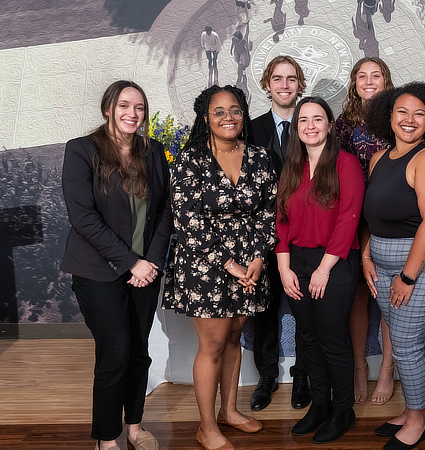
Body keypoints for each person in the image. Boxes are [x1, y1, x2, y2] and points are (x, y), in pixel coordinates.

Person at [163, 85, 277, 450]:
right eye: (219, 111)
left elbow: (269, 212)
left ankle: (230, 411)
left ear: (244, 114)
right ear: (205, 118)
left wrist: (257, 258)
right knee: (212, 344)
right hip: (205, 266)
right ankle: (207, 427)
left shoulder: (259, 157)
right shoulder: (190, 159)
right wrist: (229, 263)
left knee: (233, 337)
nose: (228, 117)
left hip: (249, 264)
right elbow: (186, 220)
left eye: (235, 110)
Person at [61, 80, 172, 450]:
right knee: (115, 353)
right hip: (98, 272)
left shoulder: (153, 151)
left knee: (139, 351)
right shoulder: (81, 151)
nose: (132, 114)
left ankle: (135, 429)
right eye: (124, 105)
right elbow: (84, 218)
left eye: (139, 107)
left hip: (146, 271)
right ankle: (107, 438)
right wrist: (130, 263)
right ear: (108, 107)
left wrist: (151, 261)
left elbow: (164, 212)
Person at [362, 82, 425, 450]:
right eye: (402, 111)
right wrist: (367, 255)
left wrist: (407, 276)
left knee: (405, 343)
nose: (409, 120)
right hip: (383, 262)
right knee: (399, 340)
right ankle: (410, 409)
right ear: (388, 115)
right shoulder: (378, 159)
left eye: (419, 114)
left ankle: (418, 420)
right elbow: (372, 216)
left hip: (421, 263)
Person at [276, 97, 365, 444]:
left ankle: (343, 411)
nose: (310, 125)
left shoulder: (346, 165)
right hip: (295, 261)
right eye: (303, 120)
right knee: (308, 339)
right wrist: (284, 267)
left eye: (317, 119)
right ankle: (320, 403)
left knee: (332, 340)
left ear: (330, 125)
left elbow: (349, 218)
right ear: (296, 128)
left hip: (335, 262)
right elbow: (281, 218)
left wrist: (325, 268)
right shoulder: (292, 166)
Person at [249, 55, 311, 411]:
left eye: (291, 79)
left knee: (304, 308)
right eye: (277, 78)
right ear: (267, 84)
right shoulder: (251, 129)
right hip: (262, 235)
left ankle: (302, 374)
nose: (284, 85)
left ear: (299, 84)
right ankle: (267, 375)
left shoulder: (312, 125)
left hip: (302, 235)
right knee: (265, 308)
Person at [336, 56, 396, 406]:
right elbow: (340, 170)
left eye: (376, 75)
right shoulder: (344, 124)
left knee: (388, 296)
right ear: (354, 83)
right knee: (358, 295)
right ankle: (360, 366)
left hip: (393, 214)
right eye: (362, 76)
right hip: (355, 215)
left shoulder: (399, 116)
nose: (369, 81)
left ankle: (387, 369)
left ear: (386, 81)